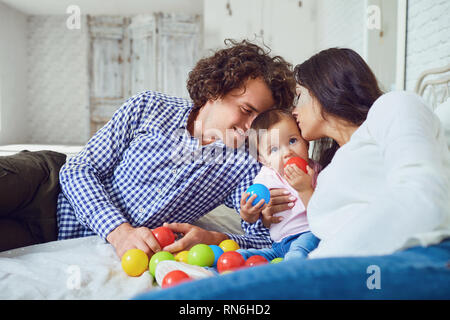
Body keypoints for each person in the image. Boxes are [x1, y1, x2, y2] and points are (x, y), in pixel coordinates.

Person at [135, 48, 450, 299]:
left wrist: (310, 267)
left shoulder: (393, 106)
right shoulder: (328, 170)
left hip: (406, 260)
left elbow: (422, 197)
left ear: (325, 88)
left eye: (300, 96)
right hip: (339, 267)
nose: (293, 112)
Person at [0, 40, 297, 258]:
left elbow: (266, 240)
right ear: (216, 89)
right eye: (245, 110)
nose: (248, 128)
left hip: (52, 234)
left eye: (257, 120)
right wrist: (120, 233)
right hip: (46, 183)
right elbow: (79, 169)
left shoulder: (245, 165)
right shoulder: (150, 106)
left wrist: (215, 237)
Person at [237, 109, 321, 261]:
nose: (287, 152)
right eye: (274, 149)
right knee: (247, 256)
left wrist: (306, 188)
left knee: (297, 253)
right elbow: (255, 214)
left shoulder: (315, 171)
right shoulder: (266, 177)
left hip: (308, 234)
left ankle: (290, 272)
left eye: (292, 141)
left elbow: (323, 212)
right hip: (279, 243)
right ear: (264, 160)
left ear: (306, 143)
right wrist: (248, 213)